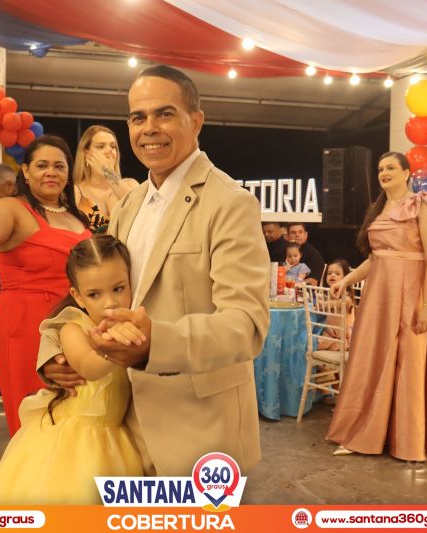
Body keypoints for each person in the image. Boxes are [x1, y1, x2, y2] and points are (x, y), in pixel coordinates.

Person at [41, 65, 270, 476]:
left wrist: (153, 344)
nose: (149, 128)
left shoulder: (229, 202)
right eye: (137, 117)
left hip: (198, 429)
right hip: (125, 422)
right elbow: (94, 290)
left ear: (195, 121)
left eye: (164, 114)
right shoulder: (129, 204)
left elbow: (245, 325)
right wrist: (54, 351)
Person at [0, 235, 143, 505]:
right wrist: (118, 345)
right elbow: (88, 366)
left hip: (116, 440)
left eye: (118, 288)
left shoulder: (132, 322)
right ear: (77, 296)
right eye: (94, 294)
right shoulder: (73, 327)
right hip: (75, 443)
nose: (110, 303)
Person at [326, 152, 427, 462]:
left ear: (407, 172)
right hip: (379, 297)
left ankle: (407, 439)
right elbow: (376, 258)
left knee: (407, 362)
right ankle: (366, 430)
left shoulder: (422, 204)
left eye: (390, 168)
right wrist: (346, 279)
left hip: (411, 295)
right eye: (380, 169)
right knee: (371, 360)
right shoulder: (380, 209)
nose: (383, 173)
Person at [0, 133, 91, 435]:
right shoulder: (13, 208)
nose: (51, 172)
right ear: (26, 171)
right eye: (42, 165)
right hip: (28, 328)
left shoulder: (76, 215)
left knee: (76, 420)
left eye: (59, 166)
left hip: (75, 327)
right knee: (38, 422)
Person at [73, 125, 139, 233]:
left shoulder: (130, 184)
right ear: (86, 154)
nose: (109, 150)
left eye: (113, 146)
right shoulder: (76, 191)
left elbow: (140, 210)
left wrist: (107, 172)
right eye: (101, 146)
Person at [318, 259, 355, 352]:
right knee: (314, 337)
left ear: (346, 278)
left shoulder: (347, 297)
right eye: (329, 273)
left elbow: (340, 303)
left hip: (343, 334)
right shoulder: (326, 294)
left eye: (337, 274)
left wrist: (324, 304)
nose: (332, 275)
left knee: (317, 342)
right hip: (330, 332)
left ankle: (339, 346)